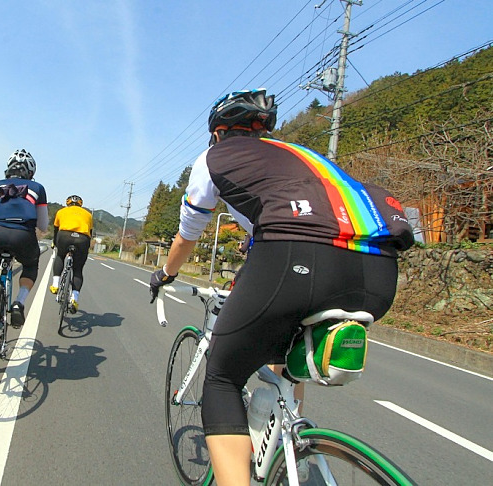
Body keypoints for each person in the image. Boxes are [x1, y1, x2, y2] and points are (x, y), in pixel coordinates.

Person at [149, 89, 414, 485]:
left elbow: (188, 235)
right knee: (287, 345)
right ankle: (292, 451)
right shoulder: (303, 157)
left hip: (295, 261)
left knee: (222, 376)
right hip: (378, 272)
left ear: (218, 132)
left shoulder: (214, 158)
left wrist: (165, 274)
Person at [0, 149, 48, 353]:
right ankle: (18, 303)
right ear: (31, 171)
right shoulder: (37, 188)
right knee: (31, 265)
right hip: (22, 236)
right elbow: (43, 226)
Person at [50, 194, 93, 313]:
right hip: (82, 239)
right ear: (80, 204)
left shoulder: (61, 211)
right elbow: (90, 233)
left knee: (60, 255)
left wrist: (54, 243)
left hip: (64, 236)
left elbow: (56, 229)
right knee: (78, 269)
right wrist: (86, 249)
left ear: (68, 203)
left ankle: (55, 285)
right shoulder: (88, 215)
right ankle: (74, 298)